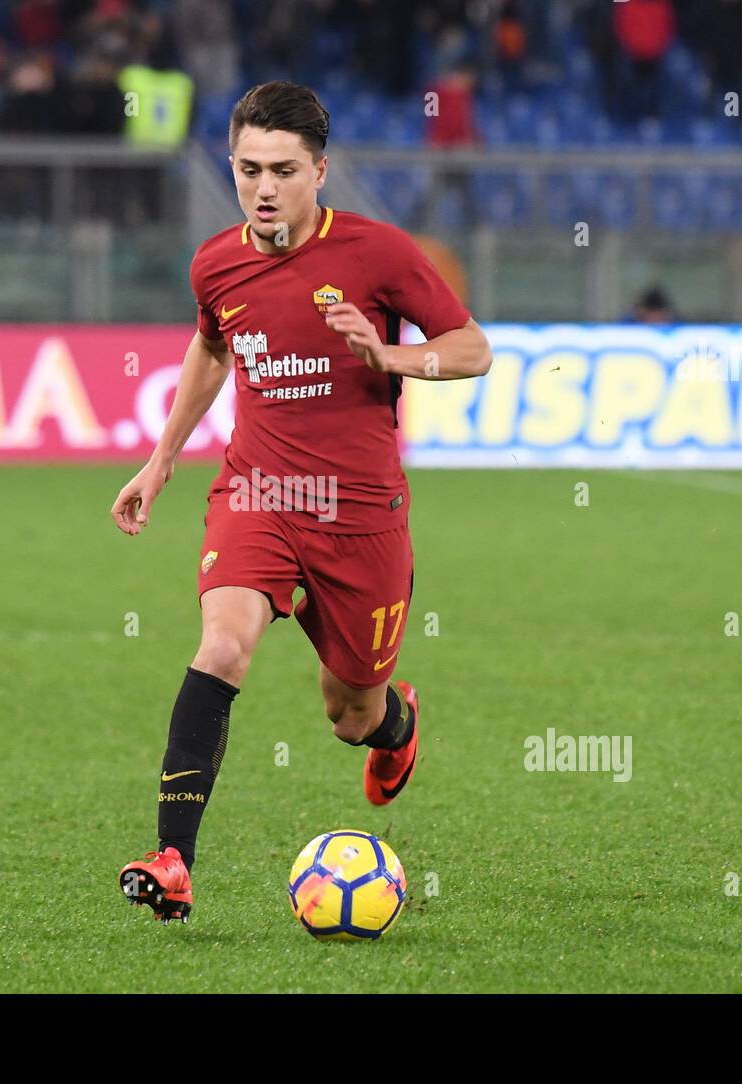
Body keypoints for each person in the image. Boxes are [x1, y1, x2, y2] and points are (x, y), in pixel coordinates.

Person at [110, 81, 492, 924]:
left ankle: (396, 726)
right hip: (258, 492)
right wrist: (162, 460)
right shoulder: (215, 263)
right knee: (224, 646)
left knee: (350, 711)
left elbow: (473, 350)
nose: (264, 188)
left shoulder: (380, 254)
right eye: (248, 170)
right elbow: (212, 347)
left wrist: (389, 358)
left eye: (283, 170)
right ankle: (172, 857)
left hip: (359, 514)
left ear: (320, 171)